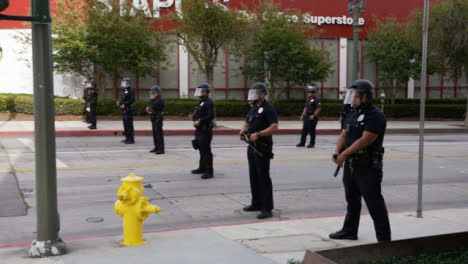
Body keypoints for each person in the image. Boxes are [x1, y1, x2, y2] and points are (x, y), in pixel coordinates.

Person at [330, 79, 391, 242]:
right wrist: (337, 151)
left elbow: (365, 140)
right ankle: (350, 230)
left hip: (367, 167)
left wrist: (344, 154)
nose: (353, 99)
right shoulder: (353, 113)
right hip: (351, 165)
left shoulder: (375, 115)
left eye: (356, 96)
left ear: (366, 97)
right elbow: (344, 134)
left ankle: (384, 239)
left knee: (374, 203)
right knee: (352, 200)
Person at [240, 82, 278, 219]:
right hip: (251, 146)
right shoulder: (253, 108)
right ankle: (256, 203)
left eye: (255, 93)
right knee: (253, 176)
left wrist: (259, 134)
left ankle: (267, 208)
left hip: (263, 147)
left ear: (262, 94)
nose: (253, 95)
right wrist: (243, 131)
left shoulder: (268, 108)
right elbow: (247, 121)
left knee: (263, 177)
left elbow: (274, 127)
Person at [190, 83, 215, 179]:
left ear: (205, 92)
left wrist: (200, 121)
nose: (199, 93)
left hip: (205, 130)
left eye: (200, 91)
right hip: (199, 129)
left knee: (206, 151)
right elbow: (199, 114)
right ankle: (202, 168)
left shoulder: (209, 102)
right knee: (200, 149)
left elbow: (210, 115)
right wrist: (194, 118)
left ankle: (209, 171)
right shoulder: (201, 102)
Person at [146, 85, 165, 154]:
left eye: (154, 93)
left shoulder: (160, 99)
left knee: (158, 134)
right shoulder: (154, 99)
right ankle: (156, 147)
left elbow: (153, 106)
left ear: (158, 93)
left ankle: (161, 149)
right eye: (152, 93)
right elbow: (149, 107)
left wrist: (151, 101)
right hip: (153, 118)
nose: (152, 94)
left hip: (158, 118)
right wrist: (150, 106)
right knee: (155, 133)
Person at [117, 77, 135, 144]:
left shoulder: (131, 90)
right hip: (123, 109)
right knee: (125, 124)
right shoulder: (124, 90)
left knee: (129, 125)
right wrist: (119, 102)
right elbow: (122, 98)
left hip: (128, 109)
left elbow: (132, 100)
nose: (123, 84)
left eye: (125, 83)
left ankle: (131, 139)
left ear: (128, 83)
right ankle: (127, 138)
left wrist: (125, 104)